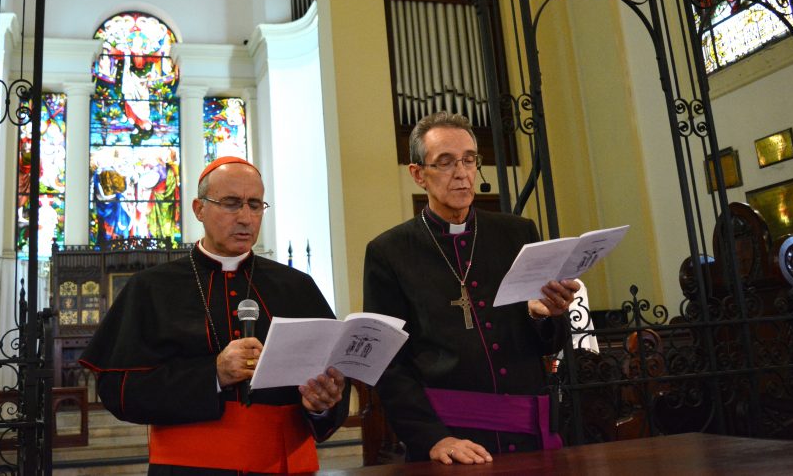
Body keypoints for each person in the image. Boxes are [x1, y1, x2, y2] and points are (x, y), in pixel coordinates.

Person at [80, 156, 349, 474]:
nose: (246, 218)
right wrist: (214, 374)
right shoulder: (151, 287)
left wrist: (321, 404)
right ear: (198, 209)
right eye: (232, 204)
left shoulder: (297, 287)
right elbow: (118, 392)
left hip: (284, 466)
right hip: (188, 467)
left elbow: (332, 376)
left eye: (255, 205)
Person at [363, 112, 579, 464]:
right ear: (418, 174)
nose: (462, 173)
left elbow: (548, 342)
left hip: (529, 437)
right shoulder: (389, 252)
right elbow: (388, 362)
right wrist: (432, 438)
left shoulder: (517, 234)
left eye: (469, 160)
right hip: (451, 440)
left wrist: (550, 317)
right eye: (445, 162)